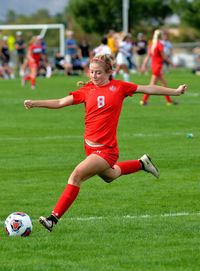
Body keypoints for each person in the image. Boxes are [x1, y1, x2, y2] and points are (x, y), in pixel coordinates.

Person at [24, 54, 187, 232]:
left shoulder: (119, 87)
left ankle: (53, 219)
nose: (94, 76)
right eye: (92, 72)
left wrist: (175, 91)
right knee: (111, 176)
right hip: (89, 147)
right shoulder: (87, 90)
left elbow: (148, 88)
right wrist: (35, 103)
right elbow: (60, 102)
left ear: (109, 72)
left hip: (106, 151)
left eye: (99, 73)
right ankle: (142, 164)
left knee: (75, 176)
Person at [140, 29, 176, 106]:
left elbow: (148, 56)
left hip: (154, 66)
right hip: (158, 66)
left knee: (162, 84)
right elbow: (164, 56)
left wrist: (144, 65)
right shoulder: (159, 44)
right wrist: (172, 63)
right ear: (160, 36)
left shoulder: (152, 44)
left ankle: (168, 101)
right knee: (156, 85)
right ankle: (144, 100)